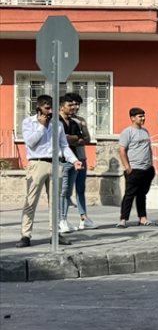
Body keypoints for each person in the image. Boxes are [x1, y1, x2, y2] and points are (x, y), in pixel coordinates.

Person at [18, 95, 83, 247]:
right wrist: (41, 126)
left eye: (51, 108)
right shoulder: (29, 122)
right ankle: (25, 235)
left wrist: (74, 160)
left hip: (56, 163)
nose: (50, 111)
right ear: (39, 108)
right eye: (47, 108)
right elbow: (30, 143)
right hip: (37, 163)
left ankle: (55, 234)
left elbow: (64, 146)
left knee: (55, 202)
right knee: (31, 201)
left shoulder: (57, 125)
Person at [117, 107, 157, 228]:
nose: (143, 118)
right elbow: (122, 151)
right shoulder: (127, 132)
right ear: (132, 118)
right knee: (129, 194)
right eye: (140, 116)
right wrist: (127, 167)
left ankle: (143, 218)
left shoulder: (145, 131)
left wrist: (151, 164)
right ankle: (123, 219)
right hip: (134, 169)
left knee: (142, 195)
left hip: (147, 169)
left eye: (144, 116)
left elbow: (148, 149)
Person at [56, 94, 88, 234]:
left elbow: (82, 139)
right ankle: (60, 220)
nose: (73, 108)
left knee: (68, 193)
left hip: (73, 159)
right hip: (60, 161)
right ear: (62, 107)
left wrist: (70, 138)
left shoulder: (74, 123)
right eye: (70, 105)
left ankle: (64, 219)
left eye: (74, 105)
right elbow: (59, 140)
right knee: (61, 192)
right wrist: (70, 139)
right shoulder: (55, 121)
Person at [65, 92, 95, 230]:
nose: (75, 107)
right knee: (65, 191)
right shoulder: (60, 120)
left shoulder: (81, 120)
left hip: (81, 157)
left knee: (81, 189)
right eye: (73, 104)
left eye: (77, 104)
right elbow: (62, 139)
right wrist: (76, 139)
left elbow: (87, 139)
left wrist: (76, 140)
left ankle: (83, 217)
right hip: (67, 159)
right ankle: (63, 219)